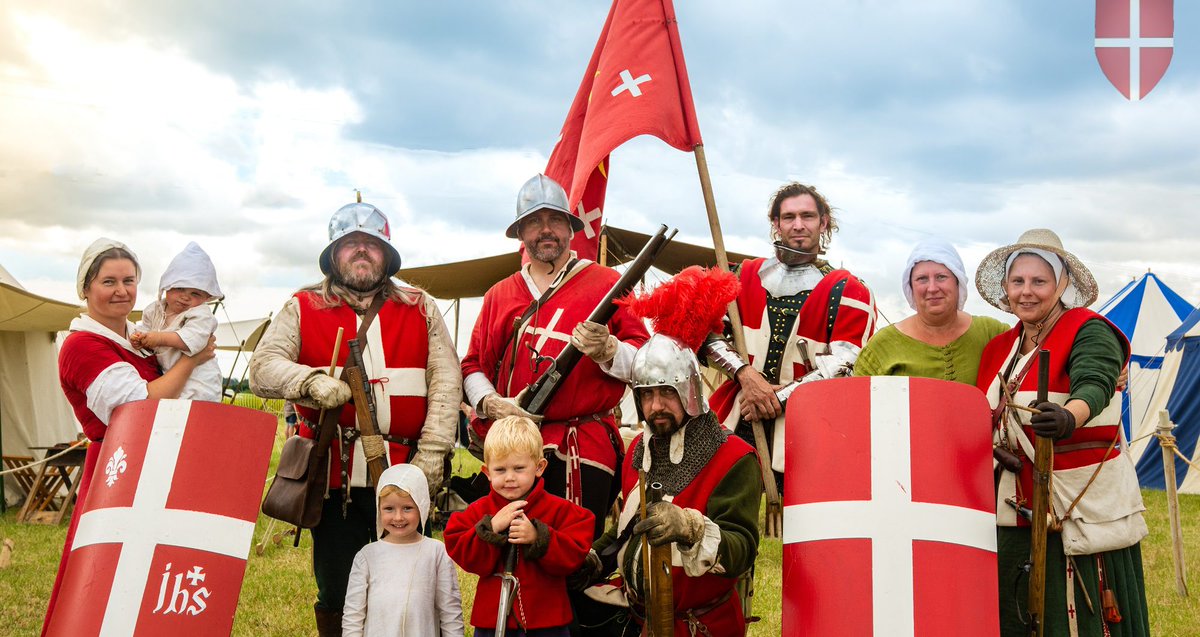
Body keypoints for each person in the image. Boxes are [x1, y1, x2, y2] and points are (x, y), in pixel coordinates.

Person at [248, 200, 461, 635]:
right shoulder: (302, 306)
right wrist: (308, 381)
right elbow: (263, 367)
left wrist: (435, 453)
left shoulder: (420, 306)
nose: (361, 251)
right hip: (334, 476)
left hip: (405, 470)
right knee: (339, 589)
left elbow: (446, 383)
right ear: (333, 254)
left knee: (411, 587)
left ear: (386, 253)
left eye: (371, 244)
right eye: (350, 244)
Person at [974, 228, 1149, 636]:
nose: (1027, 292)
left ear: (1062, 284)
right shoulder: (1000, 347)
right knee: (1015, 613)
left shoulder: (1089, 329)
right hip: (1010, 507)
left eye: (1040, 281)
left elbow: (1097, 378)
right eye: (1018, 281)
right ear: (1005, 287)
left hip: (1076, 507)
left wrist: (1070, 415)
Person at [461, 173, 650, 538]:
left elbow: (646, 362)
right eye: (534, 221)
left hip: (585, 442)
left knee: (575, 553)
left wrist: (610, 351)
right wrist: (493, 403)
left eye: (555, 220)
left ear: (569, 227)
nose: (545, 230)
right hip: (512, 448)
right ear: (521, 233)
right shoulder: (499, 294)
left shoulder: (607, 283)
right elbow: (472, 366)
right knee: (509, 548)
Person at [48, 238, 215, 634]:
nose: (121, 291)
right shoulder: (82, 345)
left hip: (157, 468)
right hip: (116, 472)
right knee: (106, 587)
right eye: (108, 281)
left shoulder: (140, 337)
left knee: (153, 583)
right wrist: (192, 359)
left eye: (129, 280)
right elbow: (141, 406)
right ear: (85, 288)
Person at [583, 334, 761, 636]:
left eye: (667, 392)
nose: (656, 406)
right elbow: (629, 527)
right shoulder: (640, 451)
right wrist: (593, 559)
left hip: (698, 627)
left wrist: (692, 527)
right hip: (637, 620)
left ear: (690, 390)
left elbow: (742, 550)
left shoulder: (733, 457)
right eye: (646, 394)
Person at [703, 182, 876, 483]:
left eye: (807, 216)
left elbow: (846, 363)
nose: (798, 225)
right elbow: (705, 333)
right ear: (776, 224)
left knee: (809, 521)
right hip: (740, 409)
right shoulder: (741, 276)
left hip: (810, 423)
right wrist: (746, 374)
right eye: (789, 217)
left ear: (823, 223)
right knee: (722, 507)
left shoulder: (849, 290)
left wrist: (777, 398)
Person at [444, 415, 595, 637]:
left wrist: (539, 537)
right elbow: (458, 543)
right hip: (492, 623)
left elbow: (575, 553)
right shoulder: (479, 511)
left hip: (546, 623)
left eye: (519, 468)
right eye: (500, 470)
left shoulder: (559, 511)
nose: (510, 478)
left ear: (539, 467)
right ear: (487, 472)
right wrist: (490, 527)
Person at [854, 237, 1008, 384]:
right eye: (922, 279)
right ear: (911, 287)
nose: (932, 288)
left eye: (941, 277)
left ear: (957, 282)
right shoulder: (883, 346)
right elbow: (858, 403)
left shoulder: (992, 333)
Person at [342, 464, 464, 637]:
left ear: (421, 506)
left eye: (407, 508)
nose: (398, 517)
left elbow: (450, 611)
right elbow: (353, 615)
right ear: (379, 509)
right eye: (389, 509)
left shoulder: (436, 553)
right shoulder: (367, 556)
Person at [130, 241, 224, 401]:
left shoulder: (201, 314)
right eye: (180, 288)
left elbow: (193, 339)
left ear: (206, 297)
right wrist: (140, 338)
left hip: (200, 381)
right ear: (167, 286)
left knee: (193, 417)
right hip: (170, 376)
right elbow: (145, 329)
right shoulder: (154, 310)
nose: (185, 296)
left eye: (195, 294)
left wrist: (158, 338)